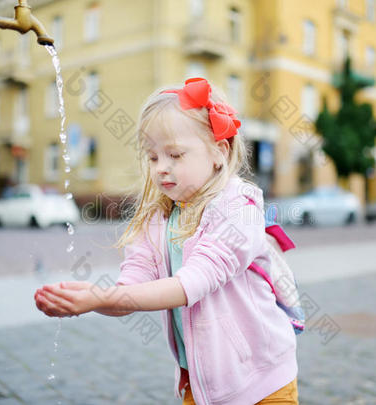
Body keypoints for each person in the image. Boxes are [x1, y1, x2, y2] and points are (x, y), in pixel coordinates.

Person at [34, 77, 299, 405]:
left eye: (174, 154)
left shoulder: (238, 207)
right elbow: (131, 286)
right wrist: (97, 298)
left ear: (219, 151)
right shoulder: (158, 218)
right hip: (200, 386)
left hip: (263, 383)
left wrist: (102, 298)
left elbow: (193, 283)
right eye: (153, 157)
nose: (161, 168)